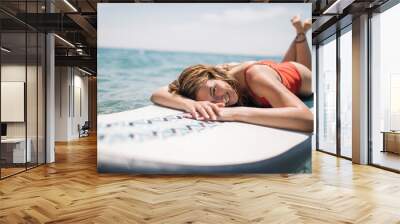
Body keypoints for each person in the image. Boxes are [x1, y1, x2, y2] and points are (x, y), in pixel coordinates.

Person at [151, 16, 313, 132]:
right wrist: (191, 104)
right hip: (274, 72)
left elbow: (307, 120)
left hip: (298, 74)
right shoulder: (211, 80)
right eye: (212, 101)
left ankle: (301, 33)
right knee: (281, 66)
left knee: (301, 67)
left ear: (217, 76)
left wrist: (233, 113)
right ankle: (301, 31)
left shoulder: (255, 77)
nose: (221, 101)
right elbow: (158, 94)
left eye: (214, 91)